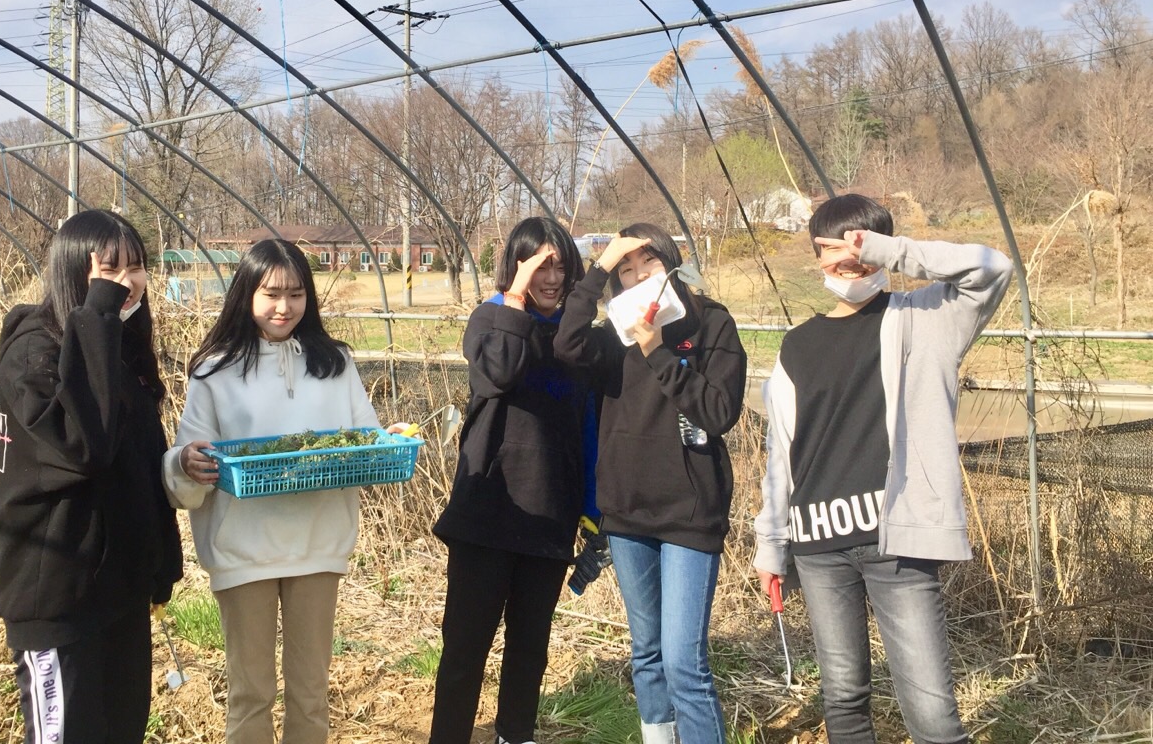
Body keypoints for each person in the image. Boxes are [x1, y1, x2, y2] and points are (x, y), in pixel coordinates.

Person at [752, 194, 1012, 744]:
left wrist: (888, 250)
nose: (849, 258)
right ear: (816, 257)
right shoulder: (796, 345)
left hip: (899, 543)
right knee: (843, 700)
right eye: (834, 248)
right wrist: (771, 544)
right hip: (818, 545)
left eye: (859, 245)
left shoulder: (927, 317)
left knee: (933, 714)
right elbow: (782, 453)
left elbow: (993, 268)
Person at [163, 239, 379, 744]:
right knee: (251, 692)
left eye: (296, 294)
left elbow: (366, 441)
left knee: (311, 691)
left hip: (318, 545)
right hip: (243, 550)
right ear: (246, 295)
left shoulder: (335, 363)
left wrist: (384, 444)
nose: (284, 307)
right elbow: (186, 462)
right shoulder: (215, 370)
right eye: (271, 294)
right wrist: (184, 463)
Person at [0, 209, 182, 744]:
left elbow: (139, 468)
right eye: (108, 270)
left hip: (116, 589)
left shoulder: (119, 349)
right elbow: (84, 448)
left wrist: (159, 566)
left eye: (136, 267)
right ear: (75, 272)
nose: (127, 282)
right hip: (58, 594)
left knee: (122, 730)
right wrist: (98, 312)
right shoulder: (34, 354)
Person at [555, 223, 747, 744]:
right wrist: (597, 268)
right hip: (626, 512)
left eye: (649, 263)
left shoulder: (710, 324)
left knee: (684, 661)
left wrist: (658, 351)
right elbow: (566, 344)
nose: (638, 277)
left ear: (672, 265)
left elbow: (719, 412)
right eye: (626, 270)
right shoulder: (610, 337)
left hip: (690, 513)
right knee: (647, 652)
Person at [429, 216, 590, 744]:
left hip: (550, 511)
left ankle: (514, 735)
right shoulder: (489, 319)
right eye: (540, 266)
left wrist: (592, 509)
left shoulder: (576, 337)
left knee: (530, 646)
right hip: (488, 511)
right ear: (516, 267)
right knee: (465, 646)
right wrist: (515, 300)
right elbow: (497, 372)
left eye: (561, 266)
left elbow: (590, 425)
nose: (552, 278)